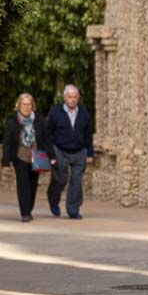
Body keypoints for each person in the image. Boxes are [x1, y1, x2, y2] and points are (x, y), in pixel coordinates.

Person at [1, 93, 51, 222]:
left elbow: (47, 139)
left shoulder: (39, 120)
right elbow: (7, 142)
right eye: (24, 104)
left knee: (33, 184)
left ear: (32, 106)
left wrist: (51, 156)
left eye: (29, 104)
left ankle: (29, 208)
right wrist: (5, 162)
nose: (26, 107)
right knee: (23, 184)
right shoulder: (13, 121)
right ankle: (25, 213)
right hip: (20, 156)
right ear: (18, 105)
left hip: (36, 156)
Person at [46, 84, 94, 219]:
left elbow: (88, 134)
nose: (72, 100)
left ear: (78, 98)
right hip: (60, 150)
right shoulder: (55, 112)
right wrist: (51, 154)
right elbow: (48, 133)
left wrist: (89, 153)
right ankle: (53, 199)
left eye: (75, 97)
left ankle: (73, 210)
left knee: (76, 181)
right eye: (69, 97)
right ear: (64, 98)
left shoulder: (84, 112)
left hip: (79, 151)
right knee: (61, 178)